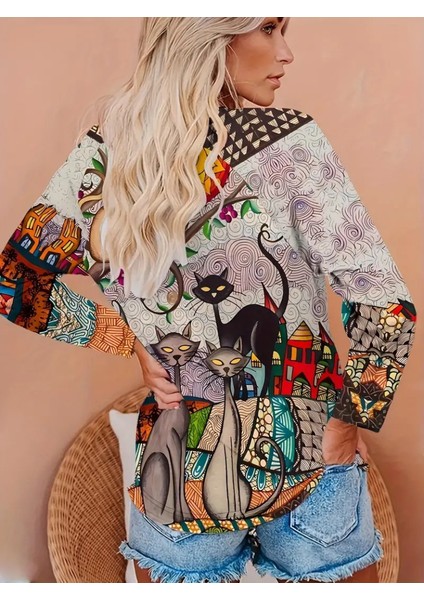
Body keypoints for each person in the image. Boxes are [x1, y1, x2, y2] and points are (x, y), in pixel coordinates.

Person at [0, 17, 417, 584]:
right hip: (308, 451)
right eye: (267, 29)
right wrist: (347, 424)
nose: (286, 52)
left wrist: (128, 341)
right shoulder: (288, 141)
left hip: (179, 464)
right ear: (210, 38)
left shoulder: (104, 155)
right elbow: (385, 303)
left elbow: (15, 284)